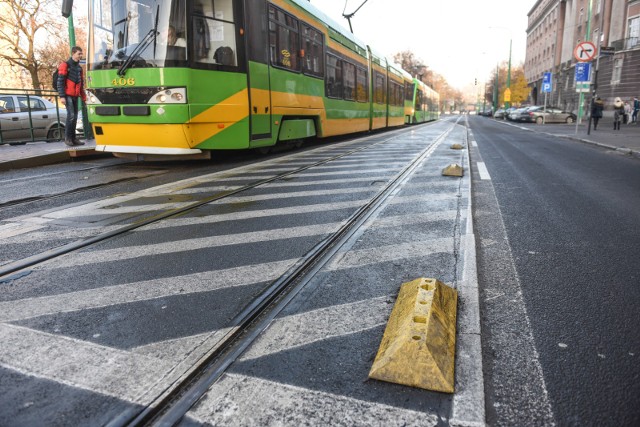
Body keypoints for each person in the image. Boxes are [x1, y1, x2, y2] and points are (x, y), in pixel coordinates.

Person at [57, 46, 86, 146]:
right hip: (67, 95)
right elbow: (60, 82)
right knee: (71, 116)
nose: (81, 56)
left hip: (75, 95)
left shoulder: (78, 68)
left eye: (81, 54)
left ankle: (73, 138)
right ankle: (68, 138)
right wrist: (62, 96)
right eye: (79, 54)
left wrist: (84, 97)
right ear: (73, 53)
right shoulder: (65, 65)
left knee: (75, 117)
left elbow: (80, 84)